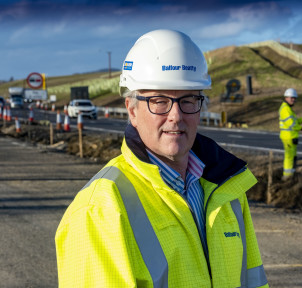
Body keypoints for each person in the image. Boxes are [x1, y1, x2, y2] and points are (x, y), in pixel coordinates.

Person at [55, 29, 268, 288]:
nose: (176, 116)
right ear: (132, 110)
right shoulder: (100, 210)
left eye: (188, 100)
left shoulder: (228, 190)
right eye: (158, 101)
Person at [279, 88, 302, 180]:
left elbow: (294, 121)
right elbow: (291, 123)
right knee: (289, 157)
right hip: (288, 137)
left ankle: (291, 175)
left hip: (291, 137)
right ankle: (287, 176)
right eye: (291, 98)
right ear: (286, 97)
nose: (293, 100)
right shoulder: (285, 109)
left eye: (294, 98)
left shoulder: (288, 108)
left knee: (293, 157)